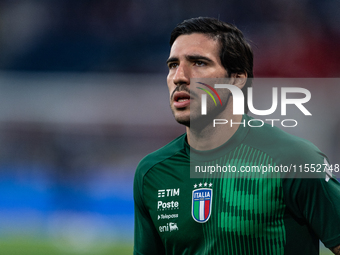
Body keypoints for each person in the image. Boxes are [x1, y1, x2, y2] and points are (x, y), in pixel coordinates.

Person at [133, 17, 340, 255]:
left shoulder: (294, 159)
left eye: (199, 63)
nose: (179, 76)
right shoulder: (151, 173)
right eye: (172, 65)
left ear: (237, 79)